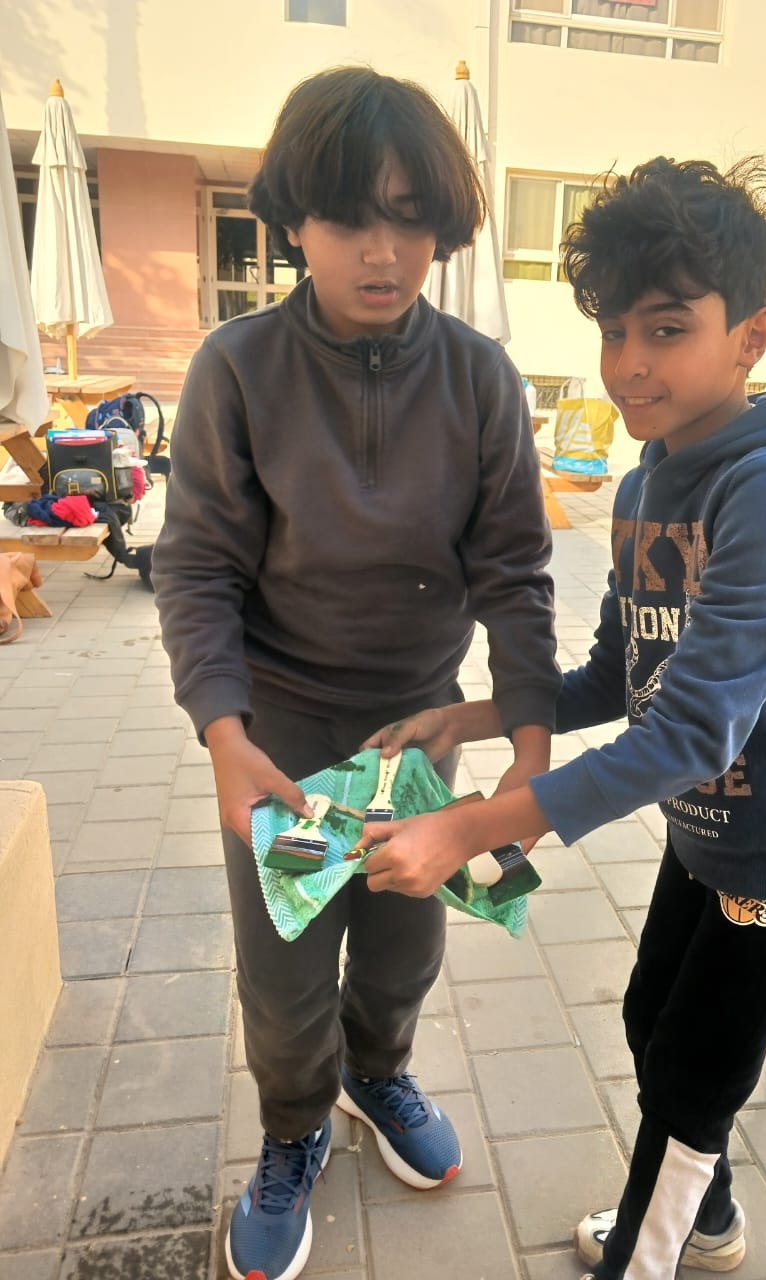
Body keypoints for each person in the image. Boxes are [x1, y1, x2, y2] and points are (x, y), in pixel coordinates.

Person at [356, 156, 766, 1279]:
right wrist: (474, 715)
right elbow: (622, 671)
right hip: (709, 828)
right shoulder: (651, 480)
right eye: (614, 332)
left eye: (667, 329)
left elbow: (690, 733)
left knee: (695, 1077)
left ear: (750, 336)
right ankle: (705, 1217)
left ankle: (648, 1256)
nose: (630, 363)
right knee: (655, 1018)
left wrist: (473, 827)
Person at [151, 66, 560, 1280]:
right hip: (279, 735)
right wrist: (225, 733)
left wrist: (528, 745)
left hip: (416, 738)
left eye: (410, 217)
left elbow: (516, 572)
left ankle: (377, 1074)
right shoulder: (236, 368)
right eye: (348, 217)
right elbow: (197, 567)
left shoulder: (481, 378)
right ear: (293, 221)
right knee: (284, 974)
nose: (383, 250)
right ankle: (292, 1128)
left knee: (400, 949)